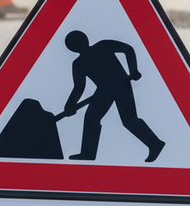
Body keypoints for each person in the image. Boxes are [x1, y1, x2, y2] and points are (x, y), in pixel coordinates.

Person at [62, 30, 165, 163]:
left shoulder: (102, 46)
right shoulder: (79, 63)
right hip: (104, 91)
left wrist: (133, 70)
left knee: (129, 120)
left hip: (122, 85)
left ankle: (155, 144)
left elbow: (128, 49)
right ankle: (87, 154)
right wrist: (70, 104)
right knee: (91, 118)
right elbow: (79, 87)